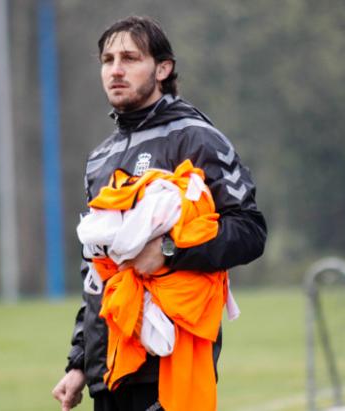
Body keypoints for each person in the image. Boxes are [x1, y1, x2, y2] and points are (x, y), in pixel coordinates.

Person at [52, 15, 267, 411]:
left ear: (163, 69)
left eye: (130, 58)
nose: (115, 69)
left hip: (170, 366)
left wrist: (169, 250)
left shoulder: (197, 138)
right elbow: (97, 270)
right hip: (110, 371)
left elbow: (250, 231)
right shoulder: (100, 159)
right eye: (107, 59)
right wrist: (80, 362)